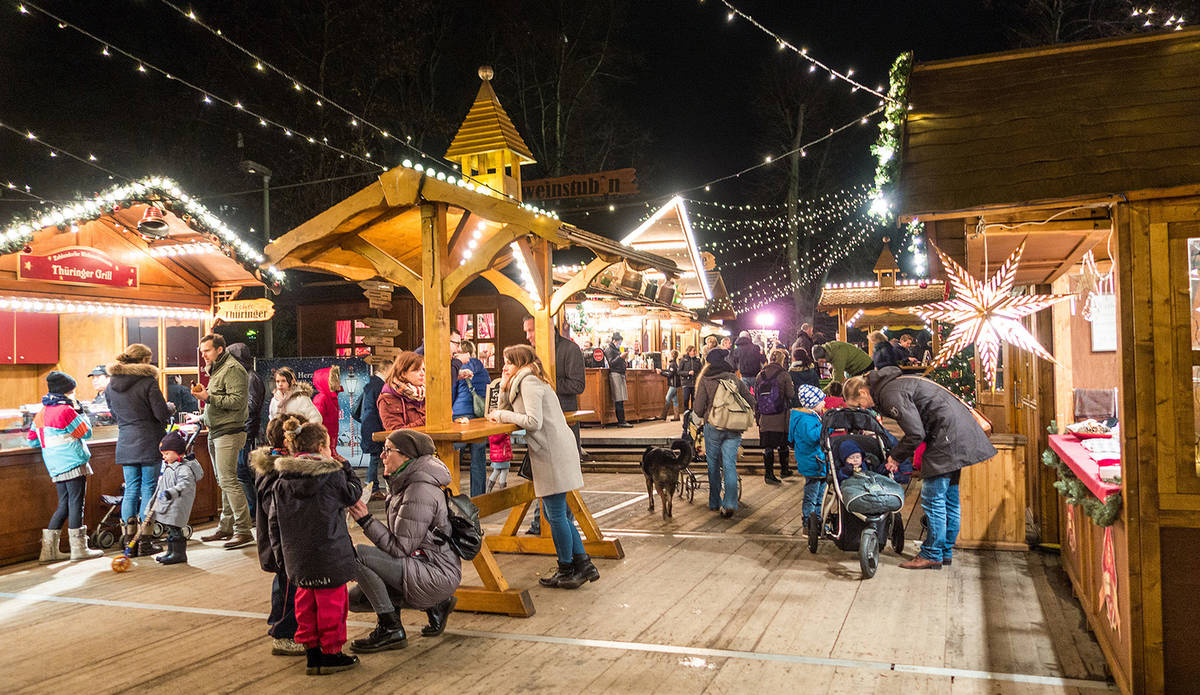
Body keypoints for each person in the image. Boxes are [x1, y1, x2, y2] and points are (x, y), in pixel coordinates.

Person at [844, 367, 997, 570]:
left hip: (946, 437)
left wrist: (895, 457)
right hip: (956, 432)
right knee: (950, 498)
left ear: (863, 392)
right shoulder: (894, 384)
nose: (863, 408)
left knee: (933, 498)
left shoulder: (889, 394)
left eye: (859, 404)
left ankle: (932, 553)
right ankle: (944, 550)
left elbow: (915, 433)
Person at [486, 345, 599, 589]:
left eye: (508, 362)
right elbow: (507, 409)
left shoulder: (529, 383)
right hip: (552, 450)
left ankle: (568, 568)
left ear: (521, 362)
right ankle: (582, 564)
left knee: (556, 514)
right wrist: (504, 387)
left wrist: (502, 416)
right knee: (556, 513)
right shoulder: (523, 381)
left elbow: (533, 422)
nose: (504, 366)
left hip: (552, 452)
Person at [346, 429, 461, 652]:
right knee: (356, 600)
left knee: (356, 555)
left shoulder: (419, 490)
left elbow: (399, 547)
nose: (382, 455)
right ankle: (436, 604)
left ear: (407, 456)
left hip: (436, 571)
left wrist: (366, 519)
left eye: (388, 450)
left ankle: (391, 628)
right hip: (421, 564)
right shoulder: (404, 482)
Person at [274, 420, 362, 675]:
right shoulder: (330, 475)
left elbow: (274, 519)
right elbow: (353, 494)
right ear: (322, 446)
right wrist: (345, 466)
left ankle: (312, 653)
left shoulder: (281, 478)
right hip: (329, 552)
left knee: (305, 601)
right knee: (332, 603)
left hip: (297, 554)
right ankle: (331, 653)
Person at [105, 343, 172, 556]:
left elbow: (114, 414)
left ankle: (128, 542)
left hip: (125, 439)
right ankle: (144, 541)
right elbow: (161, 413)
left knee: (131, 489)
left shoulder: (110, 385)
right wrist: (170, 408)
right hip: (149, 438)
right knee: (149, 488)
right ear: (143, 360)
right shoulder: (148, 382)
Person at [251, 414, 309, 657]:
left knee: (283, 587)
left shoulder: (273, 468)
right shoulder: (277, 473)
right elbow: (276, 514)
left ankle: (279, 624)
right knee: (288, 592)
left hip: (282, 545)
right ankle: (283, 634)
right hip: (283, 546)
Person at [30, 371, 102, 563]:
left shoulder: (41, 413)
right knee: (76, 504)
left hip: (54, 465)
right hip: (73, 462)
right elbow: (85, 433)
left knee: (64, 504)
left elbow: (32, 441)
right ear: (68, 391)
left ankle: (49, 551)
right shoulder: (66, 410)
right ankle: (79, 549)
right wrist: (80, 412)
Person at [191, 333, 254, 550]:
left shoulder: (233, 369)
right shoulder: (218, 369)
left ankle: (244, 530)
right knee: (223, 480)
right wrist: (201, 415)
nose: (204, 355)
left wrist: (207, 398)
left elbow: (237, 402)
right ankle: (226, 526)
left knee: (229, 480)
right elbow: (218, 403)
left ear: (219, 349)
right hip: (217, 430)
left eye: (207, 351)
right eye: (202, 352)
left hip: (229, 431)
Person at [691, 348, 755, 517]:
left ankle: (714, 501)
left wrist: (702, 415)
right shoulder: (734, 378)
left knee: (713, 465)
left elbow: (697, 408)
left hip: (713, 426)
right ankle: (730, 503)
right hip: (734, 427)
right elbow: (750, 399)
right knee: (729, 465)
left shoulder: (706, 379)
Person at [152, 430, 203, 565]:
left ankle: (179, 554)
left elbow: (185, 485)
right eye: (163, 454)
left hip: (178, 504)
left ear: (178, 452)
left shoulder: (183, 468)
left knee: (175, 531)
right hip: (169, 504)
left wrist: (171, 492)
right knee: (171, 530)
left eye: (167, 454)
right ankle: (171, 552)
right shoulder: (170, 467)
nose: (164, 457)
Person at [228, 343, 265, 517]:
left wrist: (229, 405)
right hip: (243, 428)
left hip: (245, 430)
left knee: (241, 471)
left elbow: (252, 405)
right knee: (241, 471)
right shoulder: (246, 376)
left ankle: (252, 511)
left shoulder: (251, 378)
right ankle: (251, 510)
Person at [453, 337, 492, 497]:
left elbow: (452, 392)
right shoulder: (483, 370)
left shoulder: (457, 370)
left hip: (460, 415)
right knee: (478, 458)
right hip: (479, 417)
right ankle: (478, 497)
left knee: (453, 456)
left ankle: (451, 494)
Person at [755, 348, 796, 485]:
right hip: (780, 414)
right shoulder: (784, 374)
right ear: (782, 360)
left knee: (768, 446)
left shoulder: (760, 375)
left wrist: (757, 417)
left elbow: (756, 396)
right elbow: (790, 394)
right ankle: (784, 470)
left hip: (765, 416)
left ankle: (768, 474)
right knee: (782, 444)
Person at [789, 384, 828, 524]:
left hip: (818, 460)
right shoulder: (805, 419)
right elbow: (812, 437)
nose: (824, 402)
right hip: (813, 461)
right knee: (812, 493)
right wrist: (826, 427)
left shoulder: (812, 416)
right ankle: (808, 520)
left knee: (820, 493)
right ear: (812, 403)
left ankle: (816, 519)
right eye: (821, 400)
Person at [351, 363, 387, 500]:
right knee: (375, 457)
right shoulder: (379, 386)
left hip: (369, 426)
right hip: (376, 427)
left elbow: (355, 410)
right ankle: (372, 487)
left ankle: (372, 486)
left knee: (375, 457)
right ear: (383, 370)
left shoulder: (370, 385)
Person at [377, 351, 426, 430]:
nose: (422, 373)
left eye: (423, 369)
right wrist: (428, 421)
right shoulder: (387, 399)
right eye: (416, 370)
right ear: (403, 373)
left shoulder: (425, 393)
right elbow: (396, 433)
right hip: (407, 442)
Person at [312, 366, 344, 461]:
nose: (339, 382)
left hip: (329, 444)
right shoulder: (322, 398)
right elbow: (317, 423)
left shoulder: (331, 397)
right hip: (324, 445)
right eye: (335, 379)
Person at [604, 332, 633, 428]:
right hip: (615, 374)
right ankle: (621, 421)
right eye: (619, 342)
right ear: (614, 341)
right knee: (618, 398)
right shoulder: (609, 349)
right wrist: (620, 357)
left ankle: (622, 420)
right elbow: (611, 363)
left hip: (620, 373)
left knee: (621, 398)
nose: (620, 344)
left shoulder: (615, 349)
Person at [658, 349, 682, 421]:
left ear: (672, 355)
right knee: (675, 400)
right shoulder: (675, 364)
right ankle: (676, 416)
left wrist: (661, 373)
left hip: (673, 384)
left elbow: (670, 374)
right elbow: (670, 372)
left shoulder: (672, 364)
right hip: (675, 384)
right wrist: (662, 371)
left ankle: (663, 415)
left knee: (667, 398)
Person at [678, 345, 701, 412]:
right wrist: (688, 373)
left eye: (695, 351)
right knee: (686, 399)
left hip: (695, 384)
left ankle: (693, 417)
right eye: (692, 351)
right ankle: (686, 416)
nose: (694, 352)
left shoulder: (697, 361)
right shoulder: (683, 360)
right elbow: (679, 372)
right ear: (689, 351)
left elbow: (701, 371)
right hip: (686, 383)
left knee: (694, 400)